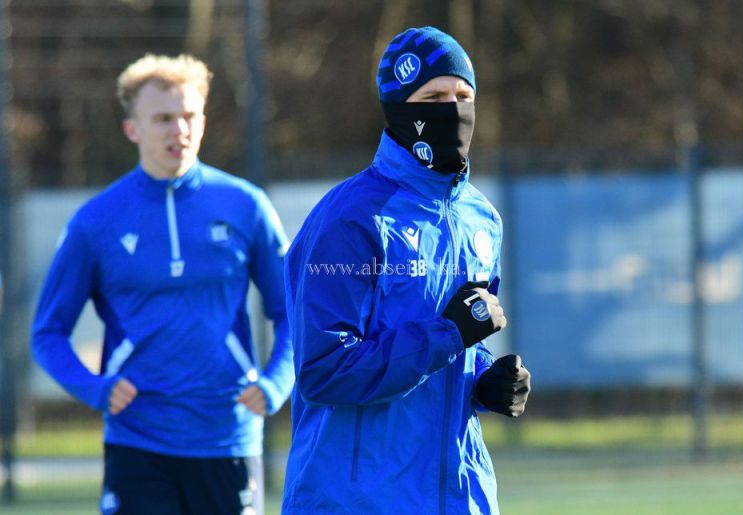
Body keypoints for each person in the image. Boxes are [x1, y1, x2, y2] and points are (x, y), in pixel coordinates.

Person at [281, 26, 531, 514]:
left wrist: (483, 382)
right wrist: (447, 336)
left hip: (461, 497)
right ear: (400, 110)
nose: (454, 108)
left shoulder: (481, 219)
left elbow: (459, 348)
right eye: (434, 96)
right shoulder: (349, 219)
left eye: (464, 95)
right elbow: (325, 370)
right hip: (357, 500)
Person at [31, 54, 293, 515]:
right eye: (164, 119)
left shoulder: (246, 207)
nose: (180, 130)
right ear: (132, 128)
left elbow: (294, 310)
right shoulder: (96, 222)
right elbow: (47, 333)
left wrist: (276, 382)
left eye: (189, 116)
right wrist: (93, 387)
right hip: (138, 441)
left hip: (227, 438)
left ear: (204, 121)